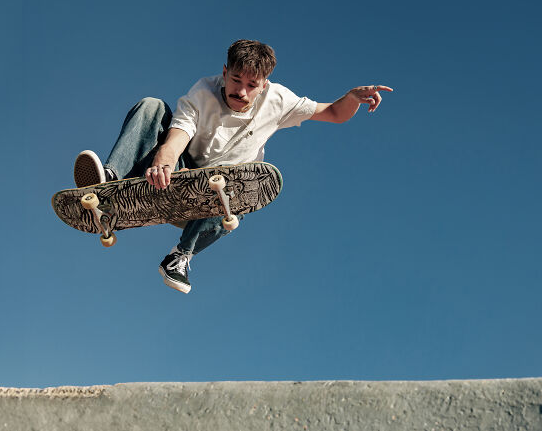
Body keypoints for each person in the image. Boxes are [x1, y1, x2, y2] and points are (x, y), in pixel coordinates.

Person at [73, 39, 392, 294]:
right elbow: (178, 134)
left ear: (264, 85)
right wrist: (165, 158)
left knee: (240, 179)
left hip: (215, 197)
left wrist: (351, 97)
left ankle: (181, 256)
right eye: (235, 80)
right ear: (224, 72)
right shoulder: (203, 91)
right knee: (152, 106)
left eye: (252, 85)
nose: (240, 91)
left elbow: (334, 113)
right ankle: (109, 184)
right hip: (179, 172)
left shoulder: (279, 101)